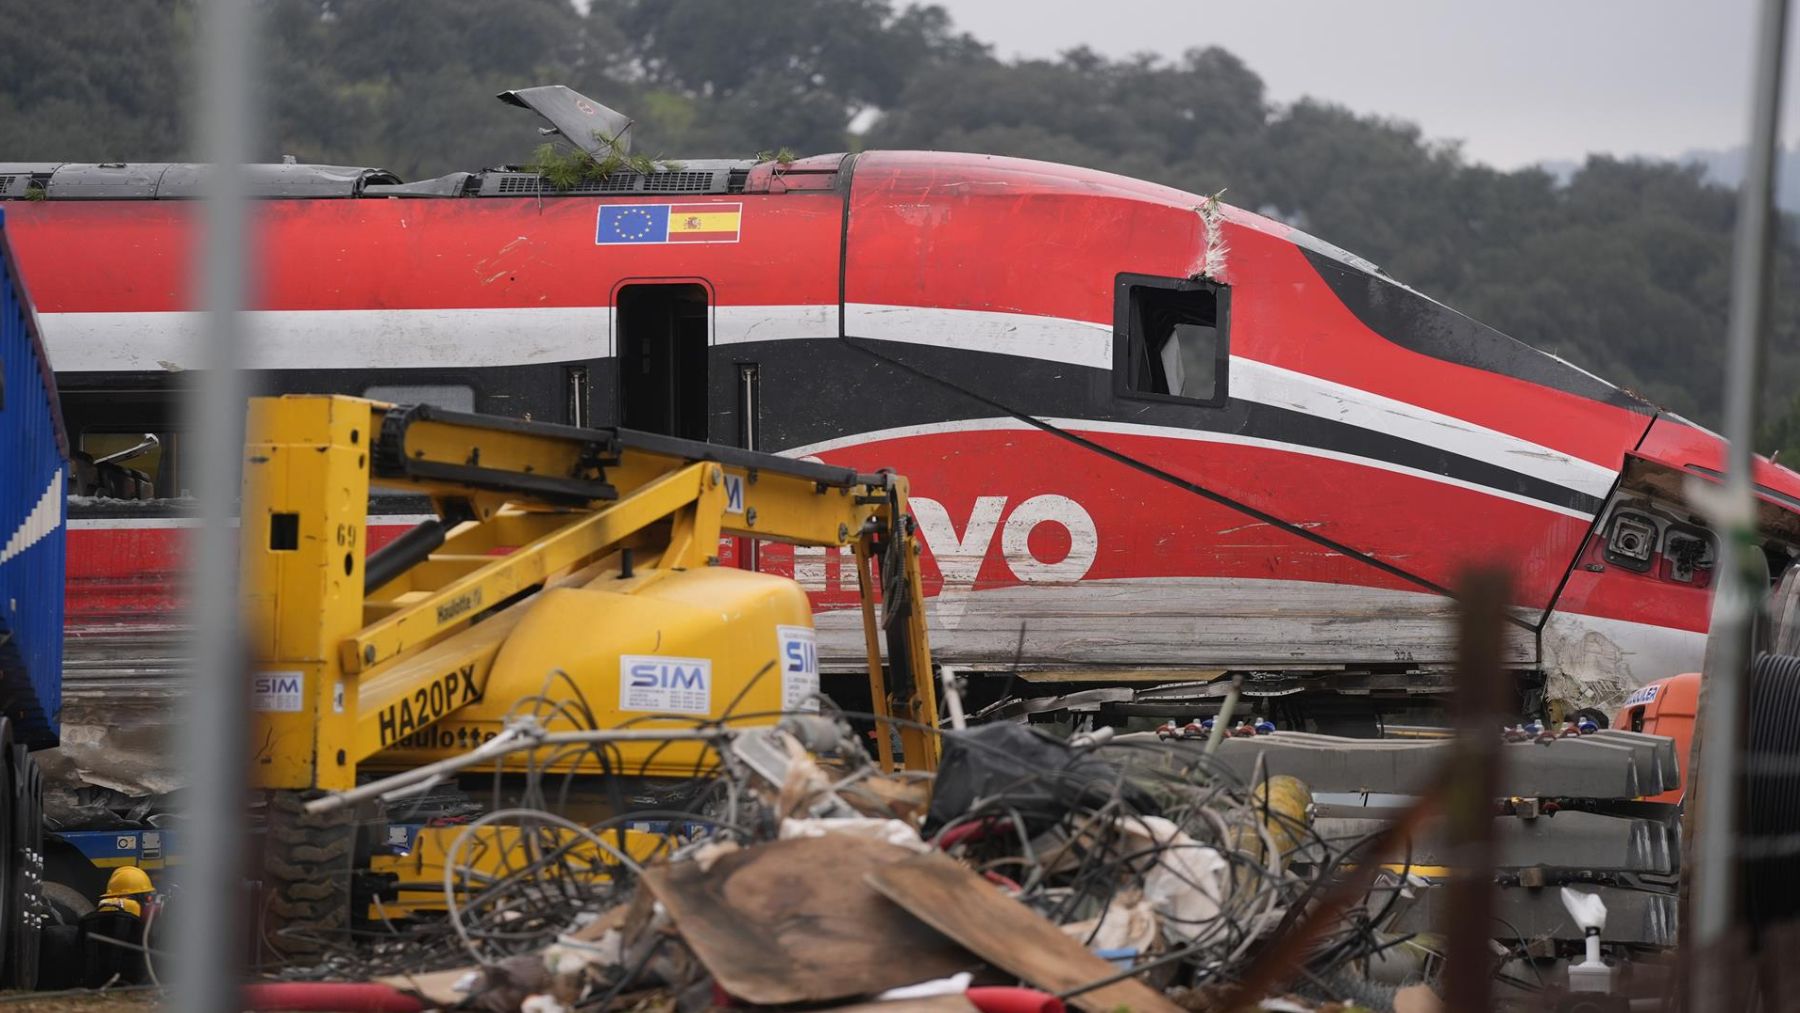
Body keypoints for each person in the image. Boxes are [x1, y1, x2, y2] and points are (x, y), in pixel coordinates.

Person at [78, 866, 154, 987]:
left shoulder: (90, 919)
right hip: (130, 986)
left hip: (93, 985)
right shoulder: (137, 921)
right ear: (142, 897)